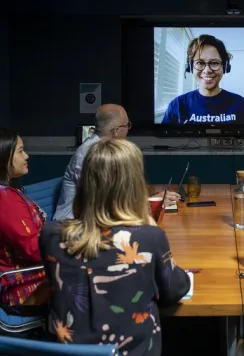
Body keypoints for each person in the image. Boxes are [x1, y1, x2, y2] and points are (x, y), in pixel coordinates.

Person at [40, 139, 190, 356]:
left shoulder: (51, 234)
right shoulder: (149, 236)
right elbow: (175, 290)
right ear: (134, 184)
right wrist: (150, 223)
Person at [54, 104, 180, 220]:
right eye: (127, 125)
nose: (128, 129)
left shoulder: (106, 150)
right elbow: (107, 204)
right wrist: (151, 203)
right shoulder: (93, 154)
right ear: (116, 131)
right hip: (73, 226)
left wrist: (154, 196)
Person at [161, 34, 244, 125]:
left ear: (225, 67)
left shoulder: (240, 104)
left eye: (214, 63)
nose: (207, 71)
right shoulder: (177, 106)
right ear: (190, 67)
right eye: (200, 63)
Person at [0, 128, 46, 306]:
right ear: (3, 157)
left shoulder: (8, 194)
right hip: (23, 289)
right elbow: (34, 250)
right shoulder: (6, 201)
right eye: (20, 151)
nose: (26, 156)